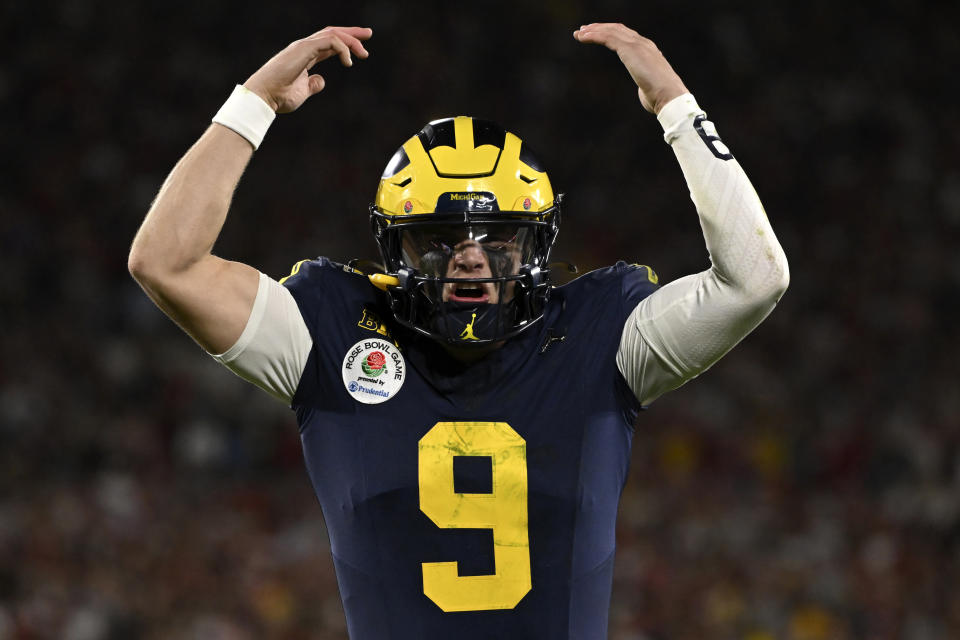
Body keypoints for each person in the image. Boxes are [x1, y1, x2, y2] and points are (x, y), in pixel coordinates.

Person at [128, 22, 789, 639]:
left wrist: (675, 106)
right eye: (439, 239)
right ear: (397, 250)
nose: (470, 256)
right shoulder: (335, 330)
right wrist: (254, 103)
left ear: (535, 244)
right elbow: (166, 262)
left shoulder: (598, 335)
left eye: (498, 237)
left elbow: (756, 279)